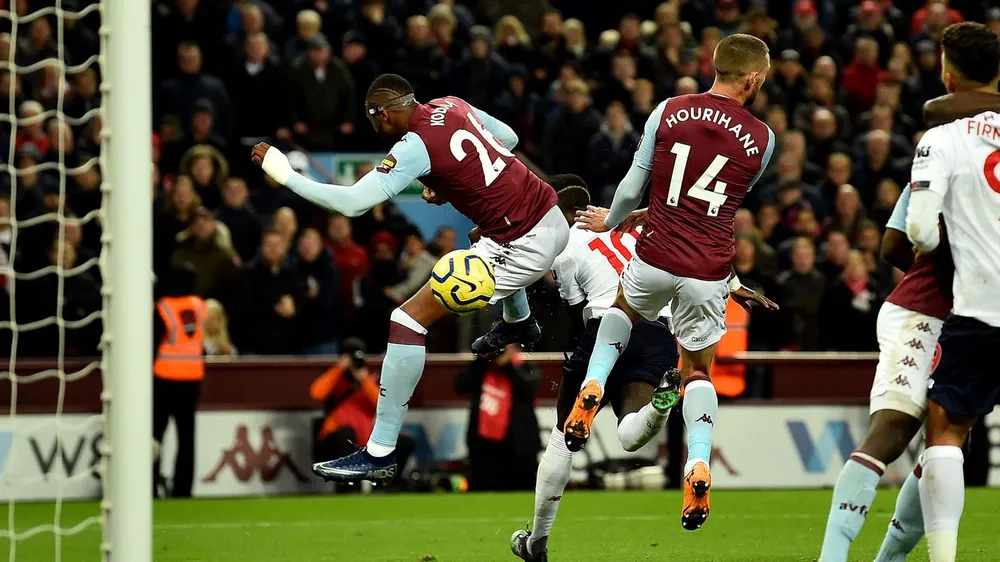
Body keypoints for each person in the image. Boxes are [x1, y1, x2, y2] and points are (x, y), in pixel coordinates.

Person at [251, 73, 569, 484]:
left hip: (523, 243)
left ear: (382, 115)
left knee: (406, 321)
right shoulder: (451, 103)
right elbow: (506, 138)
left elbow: (353, 204)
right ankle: (518, 320)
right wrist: (450, 179)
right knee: (481, 237)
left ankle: (379, 451)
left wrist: (287, 177)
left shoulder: (414, 145)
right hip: (548, 212)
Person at [571, 34, 778, 531]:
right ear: (752, 78)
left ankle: (594, 384)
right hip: (708, 270)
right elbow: (715, 204)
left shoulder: (668, 110)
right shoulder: (764, 139)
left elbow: (631, 188)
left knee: (622, 310)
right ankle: (698, 462)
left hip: (657, 253)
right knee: (697, 371)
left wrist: (615, 221)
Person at [510, 176, 682, 562]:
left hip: (606, 324)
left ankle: (536, 541)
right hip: (657, 331)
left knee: (562, 436)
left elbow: (574, 312)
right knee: (630, 431)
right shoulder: (633, 227)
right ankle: (659, 407)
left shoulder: (567, 241)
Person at [903, 23, 1000, 562]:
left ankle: (944, 560)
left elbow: (918, 231)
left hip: (981, 310)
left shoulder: (941, 139)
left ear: (948, 72)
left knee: (945, 428)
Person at [152, 264, 208, 498]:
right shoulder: (199, 306)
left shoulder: (163, 308)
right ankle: (183, 490)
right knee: (187, 439)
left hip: (164, 379)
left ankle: (150, 485)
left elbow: (152, 343)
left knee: (155, 435)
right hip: (192, 379)